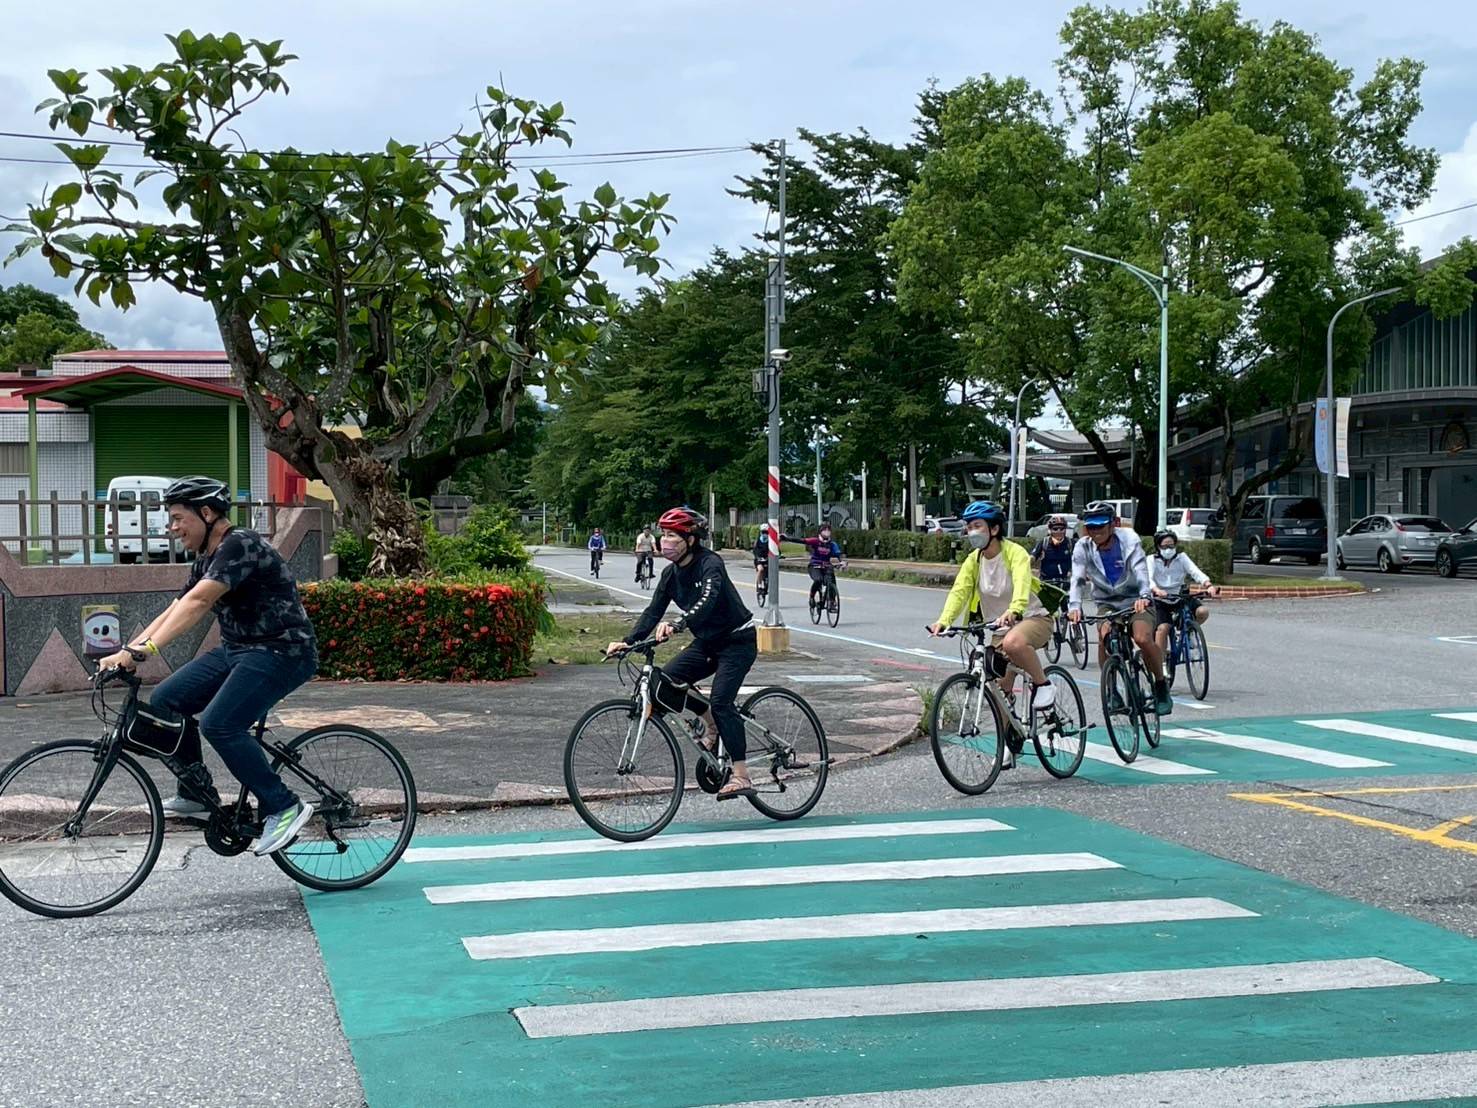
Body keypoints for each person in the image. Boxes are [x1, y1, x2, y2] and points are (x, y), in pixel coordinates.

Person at [96, 476, 318, 856]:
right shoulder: (207, 557)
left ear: (207, 513)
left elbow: (199, 603)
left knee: (219, 724)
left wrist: (144, 650)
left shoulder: (239, 544)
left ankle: (283, 805)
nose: (172, 527)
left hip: (282, 651)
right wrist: (129, 650)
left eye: (178, 518)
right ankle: (196, 794)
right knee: (166, 700)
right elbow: (177, 607)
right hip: (238, 650)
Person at [606, 506, 760, 801]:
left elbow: (708, 599)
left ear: (690, 539)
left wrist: (679, 623)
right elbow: (653, 611)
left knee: (722, 701)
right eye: (663, 534)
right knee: (665, 682)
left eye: (672, 535)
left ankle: (741, 775)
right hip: (707, 642)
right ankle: (711, 723)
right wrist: (627, 641)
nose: (664, 541)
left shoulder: (710, 564)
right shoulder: (670, 574)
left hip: (737, 641)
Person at [927, 500, 1056, 717]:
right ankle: (1010, 736)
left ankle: (1043, 684)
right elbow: (959, 591)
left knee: (1013, 643)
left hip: (1033, 618)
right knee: (998, 694)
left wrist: (1015, 609)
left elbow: (1022, 582)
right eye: (969, 527)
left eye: (977, 526)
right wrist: (944, 621)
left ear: (994, 529)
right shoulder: (973, 561)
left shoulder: (1015, 553)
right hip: (1000, 628)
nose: (972, 532)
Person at [1066, 500, 1171, 715]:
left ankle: (1161, 685)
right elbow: (1077, 579)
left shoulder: (1129, 539)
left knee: (1142, 638)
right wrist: (1074, 607)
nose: (1095, 532)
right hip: (1107, 602)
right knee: (1104, 636)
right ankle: (1112, 689)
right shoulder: (1082, 546)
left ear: (1113, 524)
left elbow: (1140, 569)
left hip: (1136, 600)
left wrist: (1144, 596)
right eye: (1090, 527)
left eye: (1101, 526)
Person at [1149, 527, 1221, 655]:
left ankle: (1189, 631)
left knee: (1202, 612)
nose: (1168, 549)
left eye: (1171, 545)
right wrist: (1157, 590)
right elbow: (1147, 579)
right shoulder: (1151, 560)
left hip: (1180, 597)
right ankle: (1161, 662)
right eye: (1164, 546)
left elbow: (1195, 572)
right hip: (1160, 599)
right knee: (1163, 628)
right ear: (1158, 547)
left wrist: (1208, 585)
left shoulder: (1182, 558)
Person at [795, 524, 847, 609]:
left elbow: (838, 554)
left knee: (831, 581)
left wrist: (842, 562)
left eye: (828, 530)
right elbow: (802, 541)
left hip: (826, 566)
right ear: (820, 532)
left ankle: (832, 601)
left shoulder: (832, 544)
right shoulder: (816, 541)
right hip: (815, 566)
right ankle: (812, 597)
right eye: (824, 530)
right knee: (818, 580)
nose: (827, 532)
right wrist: (785, 538)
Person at [1031, 515, 1074, 585]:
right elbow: (1033, 557)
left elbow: (1079, 560)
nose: (1059, 531)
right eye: (1055, 529)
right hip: (1047, 582)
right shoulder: (1044, 542)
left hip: (1065, 581)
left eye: (1062, 529)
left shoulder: (1070, 543)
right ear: (1050, 530)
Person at [753, 524, 774, 595]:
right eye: (763, 532)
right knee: (761, 569)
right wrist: (758, 557)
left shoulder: (771, 541)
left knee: (770, 572)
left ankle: (767, 586)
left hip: (767, 559)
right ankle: (759, 586)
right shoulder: (758, 541)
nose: (765, 534)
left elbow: (775, 550)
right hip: (759, 560)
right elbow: (755, 551)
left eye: (766, 532)